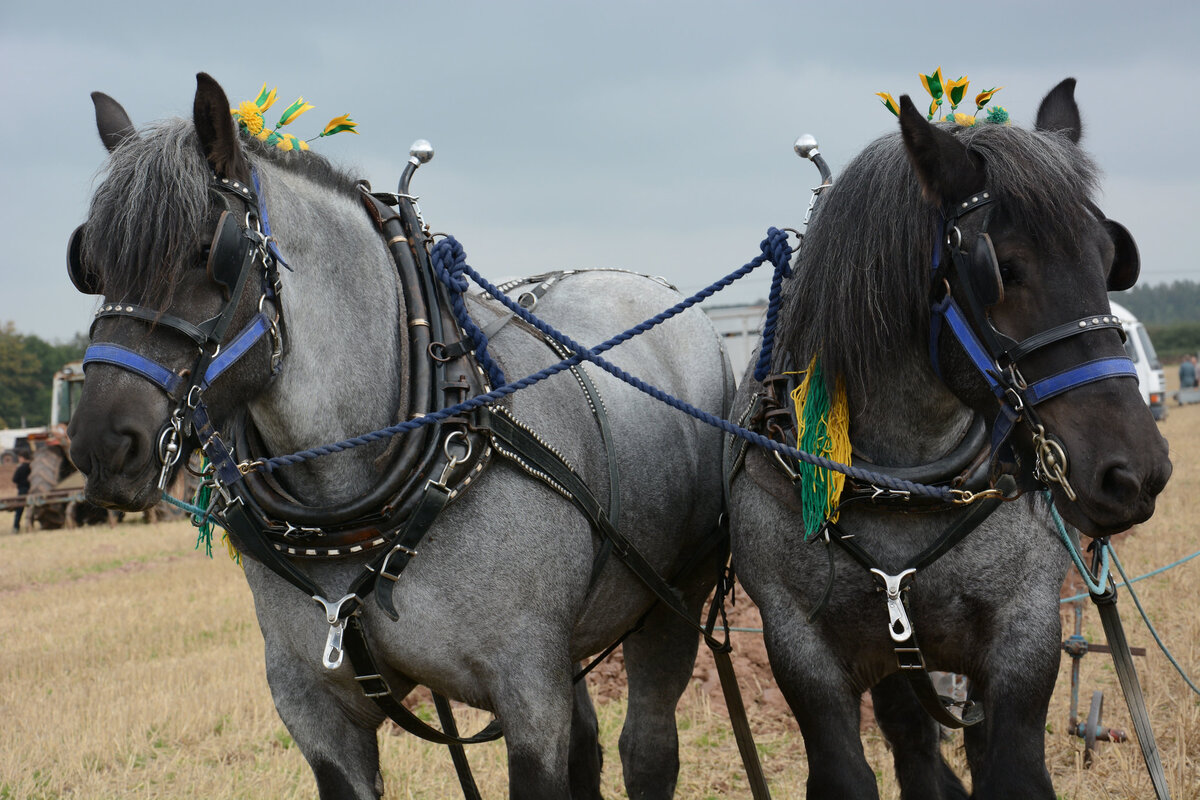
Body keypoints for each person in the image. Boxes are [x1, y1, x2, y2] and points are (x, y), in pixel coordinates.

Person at [11, 451, 31, 533]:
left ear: (22, 458)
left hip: (22, 490)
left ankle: (16, 527)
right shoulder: (32, 467)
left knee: (19, 510)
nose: (19, 459)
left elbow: (14, 479)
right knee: (31, 507)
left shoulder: (20, 468)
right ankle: (30, 525)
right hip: (32, 490)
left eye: (19, 458)